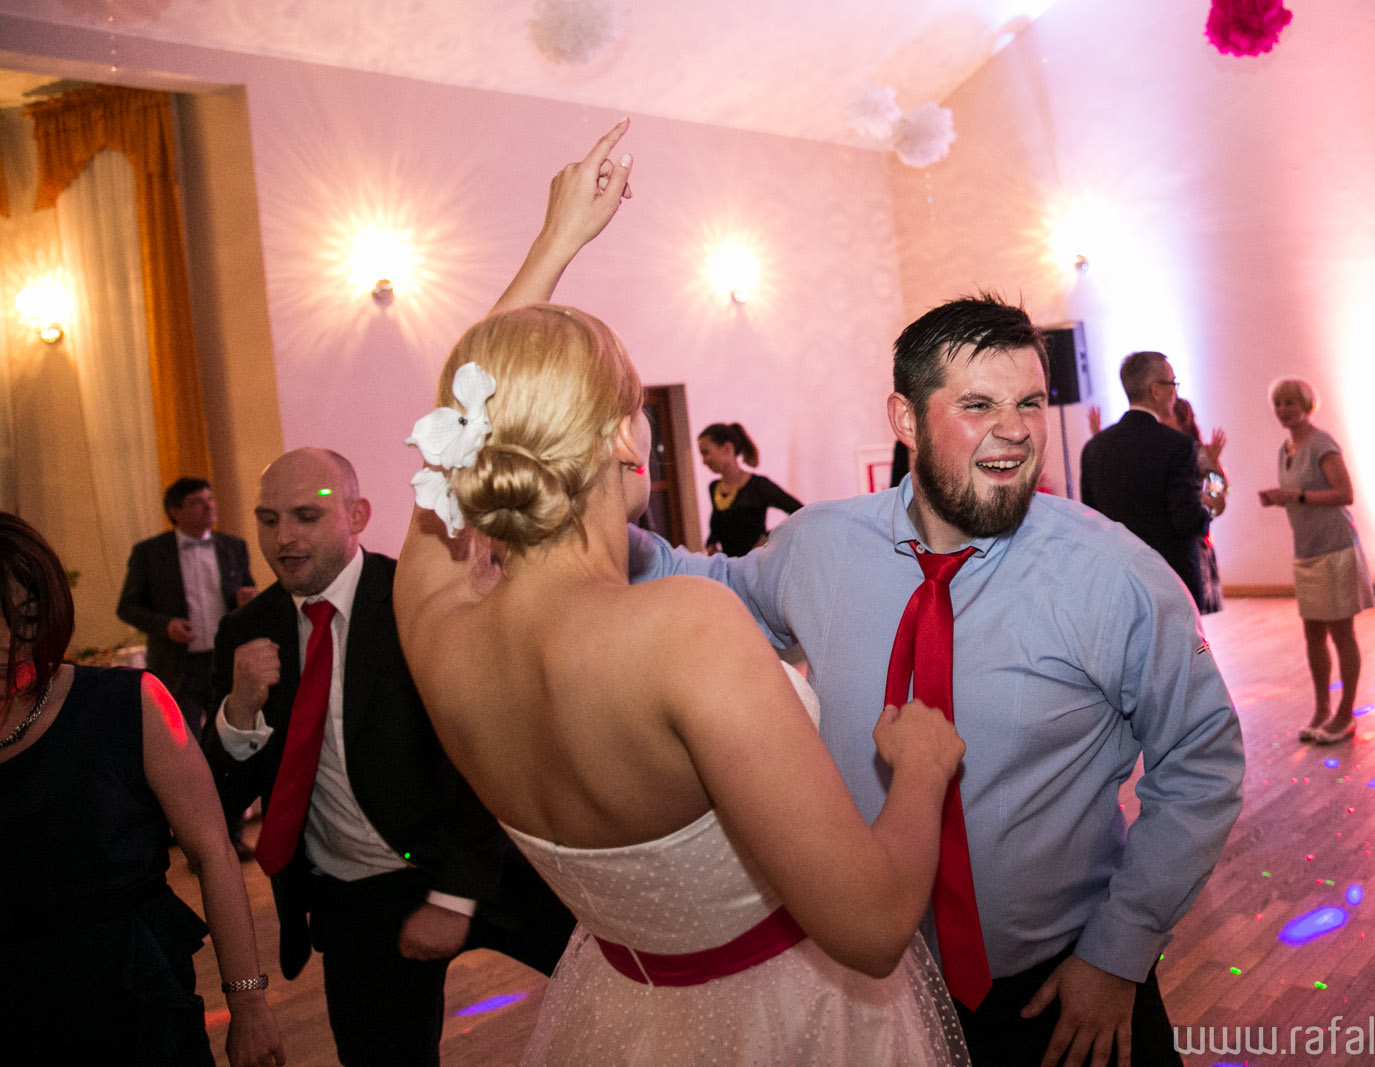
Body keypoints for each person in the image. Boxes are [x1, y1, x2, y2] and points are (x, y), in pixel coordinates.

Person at [525, 129, 1246, 1067]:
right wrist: (568, 495)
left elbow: (1202, 761)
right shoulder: (821, 545)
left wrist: (1119, 950)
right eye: (978, 405)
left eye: (1030, 403)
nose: (1015, 431)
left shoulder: (1114, 574)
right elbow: (696, 583)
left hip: (1063, 998)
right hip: (870, 1005)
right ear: (904, 418)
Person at [395, 121, 970, 1066]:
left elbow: (450, 431)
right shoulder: (683, 630)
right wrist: (921, 767)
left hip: (624, 1012)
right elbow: (871, 929)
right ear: (626, 439)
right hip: (787, 1021)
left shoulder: (432, 624)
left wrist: (553, 245)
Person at [201, 448, 575, 1067]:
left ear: (358, 515)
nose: (284, 537)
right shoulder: (247, 632)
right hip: (358, 895)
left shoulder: (419, 600)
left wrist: (453, 897)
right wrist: (239, 711)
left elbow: (493, 750)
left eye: (306, 516)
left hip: (480, 857)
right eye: (268, 520)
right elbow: (216, 801)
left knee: (623, 989)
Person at [1, 511, 284, 1067]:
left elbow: (213, 851)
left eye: (23, 615)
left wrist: (249, 1004)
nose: (12, 638)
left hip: (128, 1004)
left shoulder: (127, 703)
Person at [1257, 377, 1375, 745]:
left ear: (1307, 405)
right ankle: (1322, 709)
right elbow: (1299, 495)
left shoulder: (1322, 444)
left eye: (1290, 402)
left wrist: (1295, 496)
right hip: (1306, 550)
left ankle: (1346, 713)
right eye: (1279, 403)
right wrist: (1282, 498)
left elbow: (1345, 493)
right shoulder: (1285, 448)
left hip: (1335, 548)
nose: (1283, 410)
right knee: (1313, 635)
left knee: (1342, 633)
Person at [117, 477, 257, 739]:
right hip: (178, 665)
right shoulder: (150, 552)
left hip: (224, 658)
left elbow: (247, 591)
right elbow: (127, 607)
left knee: (228, 736)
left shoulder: (233, 546)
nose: (209, 506)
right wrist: (166, 625)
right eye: (196, 502)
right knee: (185, 740)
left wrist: (247, 599)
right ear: (175, 511)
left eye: (210, 498)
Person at [1080, 351, 1214, 610]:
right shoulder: (1177, 445)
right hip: (1171, 580)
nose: (1175, 392)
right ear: (1156, 391)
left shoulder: (1095, 447)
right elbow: (1186, 521)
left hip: (1119, 582)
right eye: (1173, 383)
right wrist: (1208, 509)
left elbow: (1093, 521)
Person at [697, 422, 803, 556]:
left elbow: (798, 510)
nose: (704, 461)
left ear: (727, 448)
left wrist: (767, 538)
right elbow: (718, 526)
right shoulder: (714, 488)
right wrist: (711, 543)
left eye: (705, 453)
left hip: (756, 564)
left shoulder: (758, 486)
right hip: (730, 565)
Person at [1172, 397, 1228, 614]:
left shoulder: (1195, 450)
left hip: (1192, 535)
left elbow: (1218, 494)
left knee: (1192, 609)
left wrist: (1214, 465)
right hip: (1176, 533)